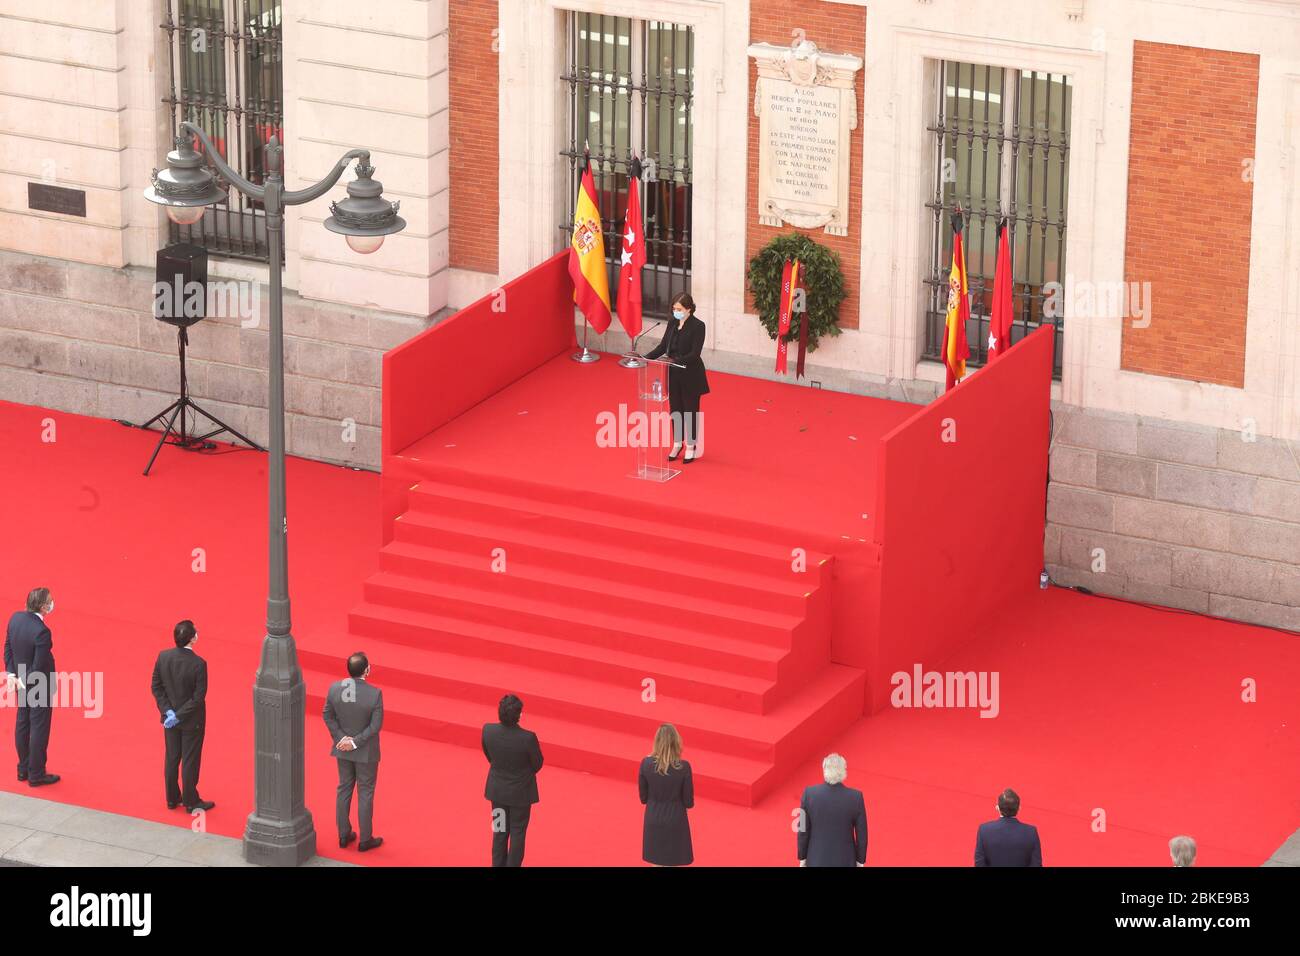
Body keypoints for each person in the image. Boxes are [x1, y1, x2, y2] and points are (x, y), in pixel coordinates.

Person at [322, 652, 384, 852]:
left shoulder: (334, 689)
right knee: (365, 792)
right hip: (365, 752)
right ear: (366, 669)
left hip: (342, 750)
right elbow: (375, 726)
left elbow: (327, 715)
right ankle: (365, 839)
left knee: (344, 789)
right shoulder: (375, 694)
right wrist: (355, 742)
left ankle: (343, 834)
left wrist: (342, 739)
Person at [150, 620, 212, 811]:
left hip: (170, 721)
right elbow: (198, 697)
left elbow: (156, 686)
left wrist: (167, 711)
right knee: (190, 760)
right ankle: (191, 801)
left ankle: (171, 798)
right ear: (192, 638)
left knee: (172, 758)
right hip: (191, 721)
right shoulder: (199, 664)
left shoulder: (163, 657)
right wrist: (178, 714)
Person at [645, 292, 710, 464]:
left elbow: (695, 353)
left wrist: (675, 360)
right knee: (675, 411)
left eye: (679, 309)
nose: (676, 312)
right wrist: (646, 358)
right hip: (673, 374)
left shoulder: (698, 326)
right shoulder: (673, 323)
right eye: (674, 309)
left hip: (690, 374)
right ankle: (677, 443)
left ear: (689, 309)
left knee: (690, 411)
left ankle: (690, 446)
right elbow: (663, 346)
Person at [4, 588, 59, 787]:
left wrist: (12, 674)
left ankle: (23, 769)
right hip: (39, 684)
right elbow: (39, 664)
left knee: (23, 723)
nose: (53, 603)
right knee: (39, 728)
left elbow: (8, 646)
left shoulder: (15, 618)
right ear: (44, 607)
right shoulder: (42, 631)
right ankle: (36, 774)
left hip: (20, 679)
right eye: (51, 601)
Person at [482, 694, 543, 867]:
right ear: (519, 715)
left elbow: (489, 756)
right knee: (517, 832)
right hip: (520, 796)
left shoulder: (488, 730)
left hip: (497, 793)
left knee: (499, 831)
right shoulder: (528, 738)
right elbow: (537, 764)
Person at [796, 753, 867, 867]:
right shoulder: (855, 797)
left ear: (824, 770)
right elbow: (862, 834)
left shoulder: (809, 794)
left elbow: (803, 830)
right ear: (844, 771)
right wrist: (860, 860)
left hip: (816, 859)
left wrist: (803, 857)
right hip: (846, 860)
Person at [639, 724, 694, 866]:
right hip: (676, 820)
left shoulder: (646, 764)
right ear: (676, 742)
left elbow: (643, 798)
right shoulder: (684, 767)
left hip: (653, 818)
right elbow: (689, 802)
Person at [974, 788, 1043, 866]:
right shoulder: (1031, 832)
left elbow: (979, 863)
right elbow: (1036, 864)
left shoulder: (984, 831)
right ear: (1019, 808)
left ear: (998, 808)